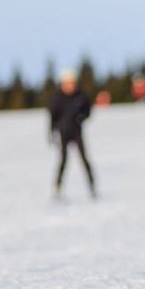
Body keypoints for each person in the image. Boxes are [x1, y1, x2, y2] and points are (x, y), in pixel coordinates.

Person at [48, 69, 96, 198]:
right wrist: (51, 133)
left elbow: (88, 111)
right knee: (63, 161)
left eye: (72, 83)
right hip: (63, 133)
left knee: (84, 159)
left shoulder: (81, 96)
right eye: (67, 83)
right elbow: (52, 117)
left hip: (77, 133)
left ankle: (92, 187)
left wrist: (81, 117)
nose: (70, 86)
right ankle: (57, 188)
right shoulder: (57, 98)